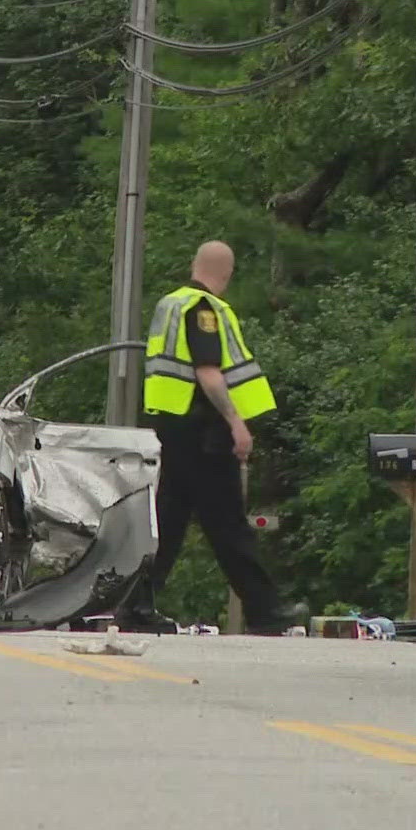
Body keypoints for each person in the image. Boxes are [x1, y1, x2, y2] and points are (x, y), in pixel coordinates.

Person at [116, 241, 303, 635]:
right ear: (227, 274)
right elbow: (208, 371)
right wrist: (237, 423)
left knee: (169, 521)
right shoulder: (204, 310)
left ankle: (136, 606)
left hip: (174, 426)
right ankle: (267, 611)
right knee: (228, 525)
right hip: (204, 429)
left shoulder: (171, 303)